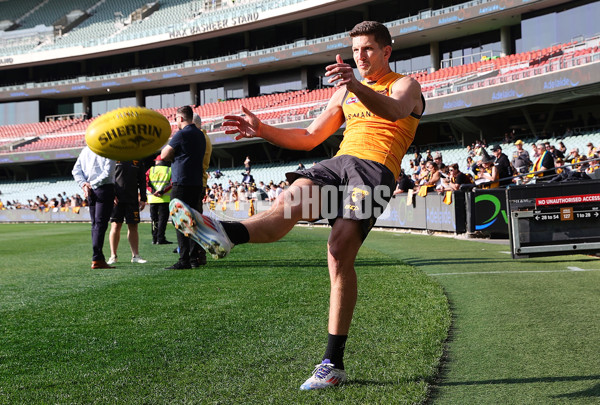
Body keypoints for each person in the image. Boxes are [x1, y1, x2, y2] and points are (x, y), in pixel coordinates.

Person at [168, 21, 424, 390]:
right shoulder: (344, 93)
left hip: (375, 170)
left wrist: (354, 84)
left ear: (386, 51)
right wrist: (263, 130)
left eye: (368, 49)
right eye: (355, 50)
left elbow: (395, 111)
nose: (360, 56)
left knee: (338, 253)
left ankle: (332, 364)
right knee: (287, 203)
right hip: (338, 163)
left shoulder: (404, 84)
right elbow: (308, 137)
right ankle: (226, 234)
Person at [161, 105, 206, 269]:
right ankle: (194, 259)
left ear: (180, 118)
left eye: (175, 119)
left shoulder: (181, 134)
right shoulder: (200, 135)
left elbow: (164, 155)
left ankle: (184, 259)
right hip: (196, 183)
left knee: (180, 220)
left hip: (182, 183)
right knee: (194, 221)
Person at [72, 146, 116, 269]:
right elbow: (108, 173)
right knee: (100, 224)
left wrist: (84, 185)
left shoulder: (86, 150)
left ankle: (99, 257)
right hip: (103, 189)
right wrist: (91, 185)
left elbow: (76, 170)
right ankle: (97, 258)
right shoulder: (109, 149)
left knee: (95, 224)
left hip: (90, 191)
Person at [107, 160, 148, 265]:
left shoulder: (137, 159)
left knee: (133, 226)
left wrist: (143, 198)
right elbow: (108, 177)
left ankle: (136, 256)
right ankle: (113, 256)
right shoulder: (113, 158)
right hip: (117, 200)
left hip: (132, 199)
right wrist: (111, 194)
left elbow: (142, 180)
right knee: (116, 226)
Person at [194, 112, 213, 267]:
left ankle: (199, 253)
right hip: (200, 181)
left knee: (195, 219)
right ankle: (198, 253)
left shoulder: (199, 138)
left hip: (196, 182)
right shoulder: (204, 137)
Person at [146, 155, 173, 245]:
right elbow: (171, 183)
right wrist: (161, 191)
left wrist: (153, 191)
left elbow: (146, 182)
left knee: (154, 219)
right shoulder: (169, 170)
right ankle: (160, 238)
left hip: (152, 199)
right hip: (164, 199)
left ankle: (154, 239)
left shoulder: (151, 170)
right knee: (162, 220)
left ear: (157, 162)